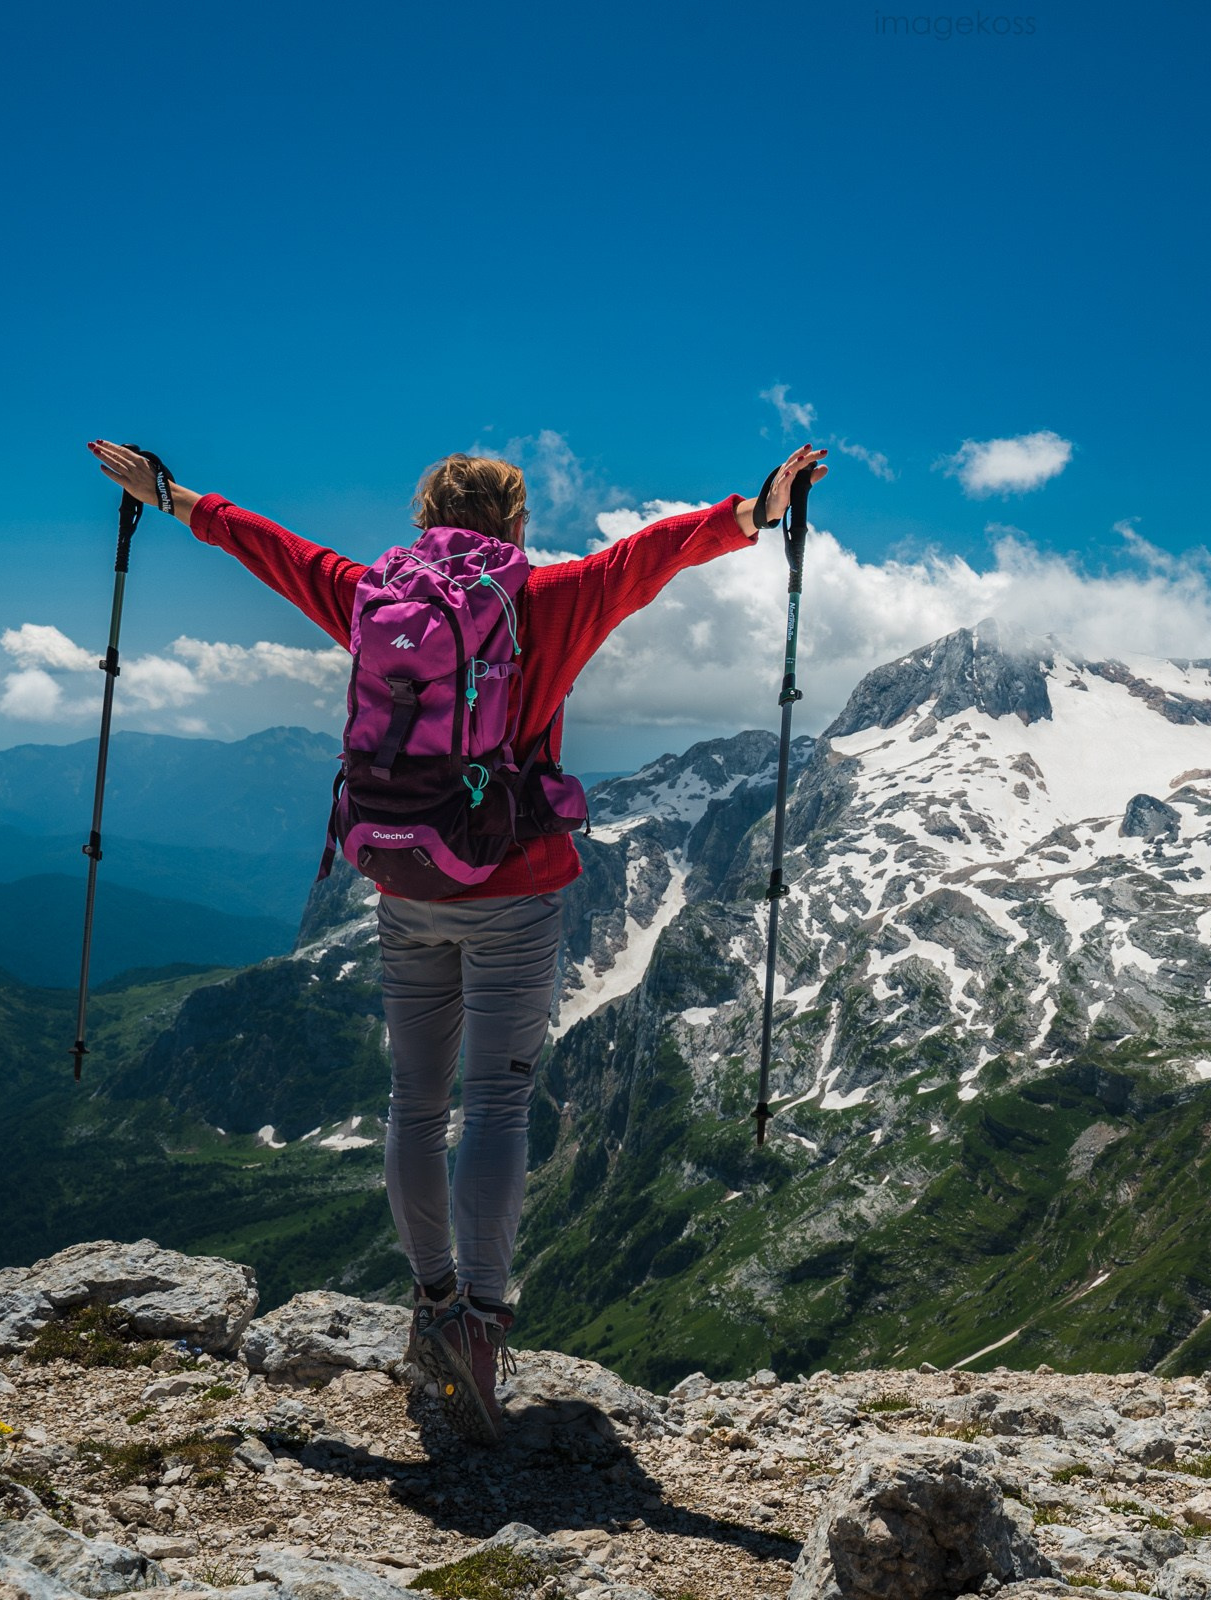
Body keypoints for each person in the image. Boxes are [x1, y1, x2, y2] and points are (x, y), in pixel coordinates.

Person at [87, 438, 827, 1442]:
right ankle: (479, 1324)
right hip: (511, 887)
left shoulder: (369, 593)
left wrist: (171, 498)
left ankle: (432, 1301)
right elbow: (647, 558)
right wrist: (755, 510)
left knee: (412, 1098)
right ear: (516, 525)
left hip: (399, 877)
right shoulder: (549, 598)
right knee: (497, 1104)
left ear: (422, 518)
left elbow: (274, 550)